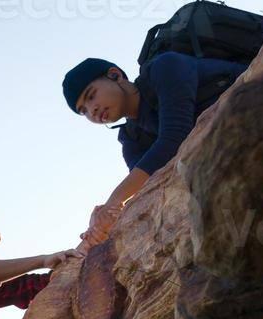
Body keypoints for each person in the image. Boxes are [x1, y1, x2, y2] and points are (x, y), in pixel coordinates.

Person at [63, 53, 249, 245]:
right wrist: (102, 224)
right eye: (83, 110)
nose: (91, 110)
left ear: (114, 75)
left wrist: (114, 200)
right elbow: (151, 186)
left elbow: (175, 138)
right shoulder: (131, 138)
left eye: (91, 96)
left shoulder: (165, 67)